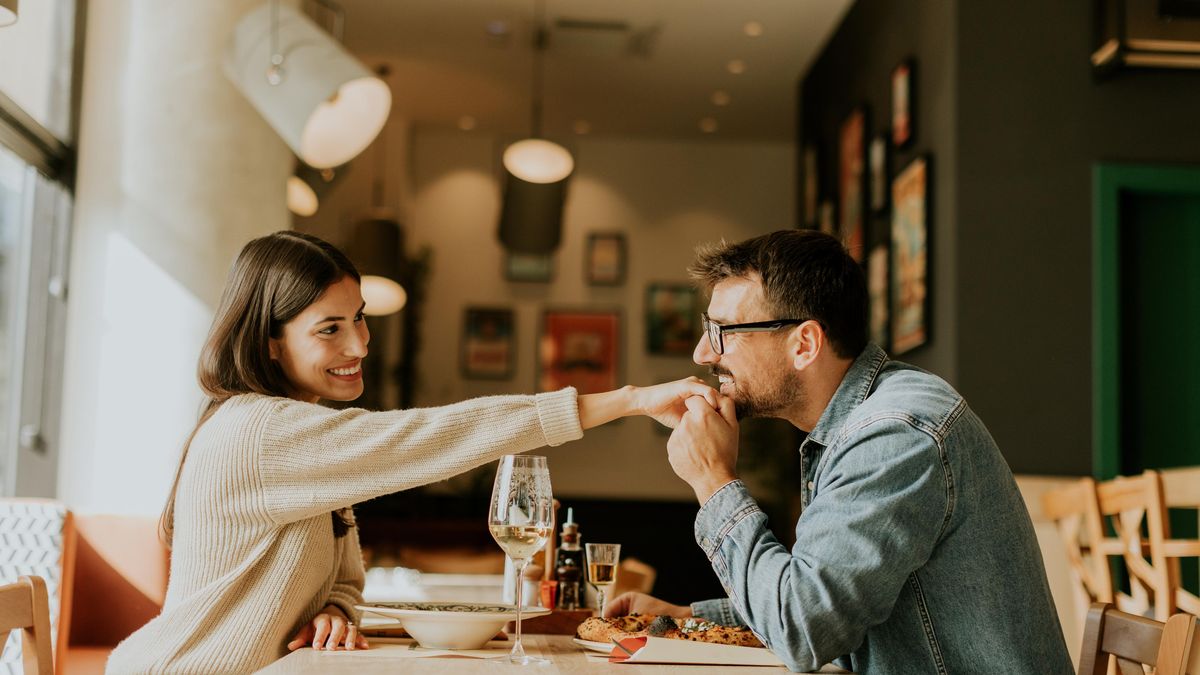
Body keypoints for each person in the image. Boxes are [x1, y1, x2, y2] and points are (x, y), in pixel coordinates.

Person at [105, 231, 716, 674]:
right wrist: (630, 398)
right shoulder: (259, 434)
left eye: (359, 319)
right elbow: (437, 436)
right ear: (269, 342)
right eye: (330, 328)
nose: (360, 344)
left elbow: (344, 576)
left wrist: (336, 612)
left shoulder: (298, 432)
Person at [605, 230, 1072, 674]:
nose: (703, 353)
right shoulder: (862, 422)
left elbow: (802, 631)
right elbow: (824, 597)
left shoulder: (894, 434)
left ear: (804, 344)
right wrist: (688, 617)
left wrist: (712, 479)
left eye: (724, 330)